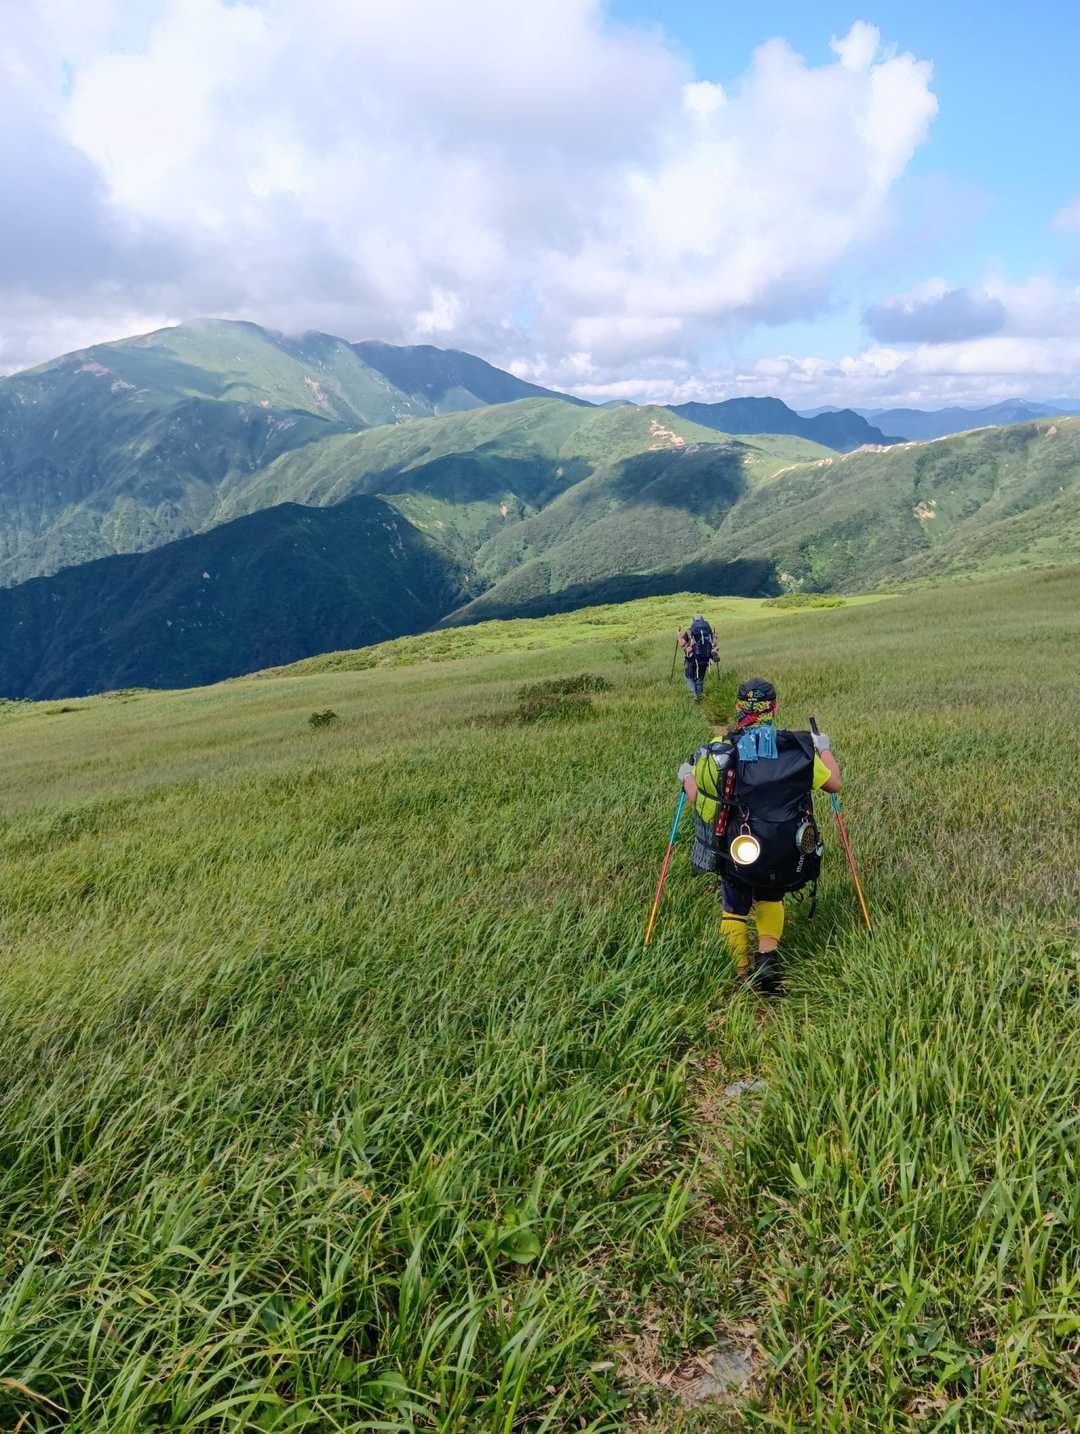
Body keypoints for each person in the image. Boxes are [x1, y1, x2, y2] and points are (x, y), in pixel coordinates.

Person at [676, 678, 840, 996]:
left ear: (739, 708)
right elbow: (833, 783)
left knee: (734, 906)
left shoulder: (720, 749)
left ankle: (740, 974)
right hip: (784, 846)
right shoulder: (798, 748)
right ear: (773, 708)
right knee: (771, 897)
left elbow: (700, 799)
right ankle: (767, 962)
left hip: (739, 848)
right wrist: (824, 748)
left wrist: (686, 777)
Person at [676, 614, 715, 701]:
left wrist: (678, 635)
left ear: (693, 621)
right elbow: (713, 643)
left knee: (689, 678)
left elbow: (682, 644)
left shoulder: (690, 631)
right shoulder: (708, 631)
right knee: (699, 679)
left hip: (692, 659)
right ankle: (700, 698)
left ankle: (694, 698)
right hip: (705, 659)